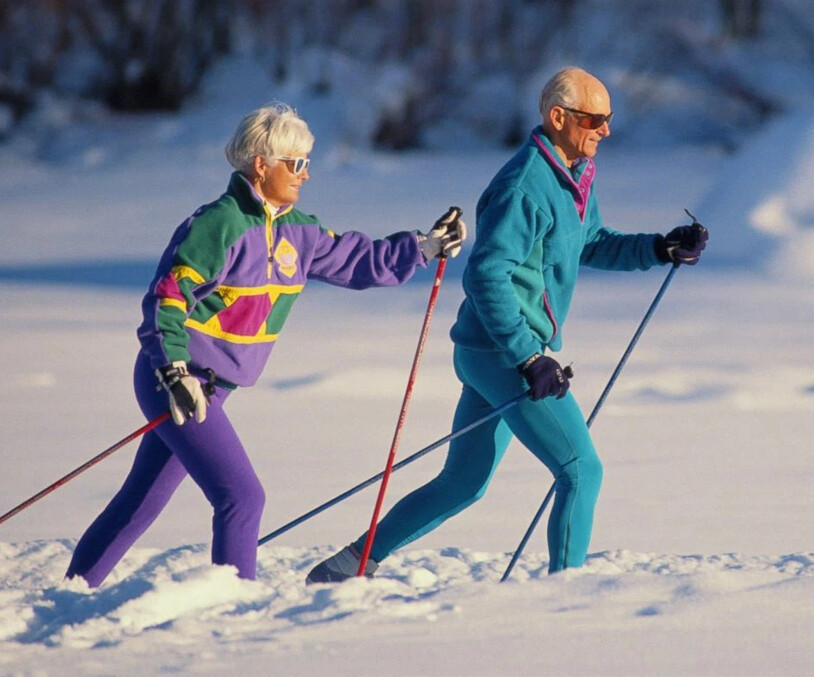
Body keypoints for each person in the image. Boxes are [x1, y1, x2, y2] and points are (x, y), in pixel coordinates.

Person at [307, 67, 707, 583]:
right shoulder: (525, 186)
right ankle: (567, 598)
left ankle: (346, 566)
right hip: (504, 353)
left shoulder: (573, 174)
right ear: (558, 117)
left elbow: (590, 241)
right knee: (581, 472)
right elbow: (485, 274)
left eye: (608, 120)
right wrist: (529, 356)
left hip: (489, 349)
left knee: (462, 483)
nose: (605, 130)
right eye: (594, 119)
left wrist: (659, 247)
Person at [65, 102, 467, 586]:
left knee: (142, 500)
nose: (305, 175)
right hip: (175, 378)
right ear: (262, 165)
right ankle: (233, 606)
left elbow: (359, 260)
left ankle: (73, 591)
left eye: (307, 164)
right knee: (242, 497)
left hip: (213, 387)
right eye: (296, 164)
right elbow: (167, 300)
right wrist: (174, 372)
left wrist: (424, 246)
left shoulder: (299, 231)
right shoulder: (218, 224)